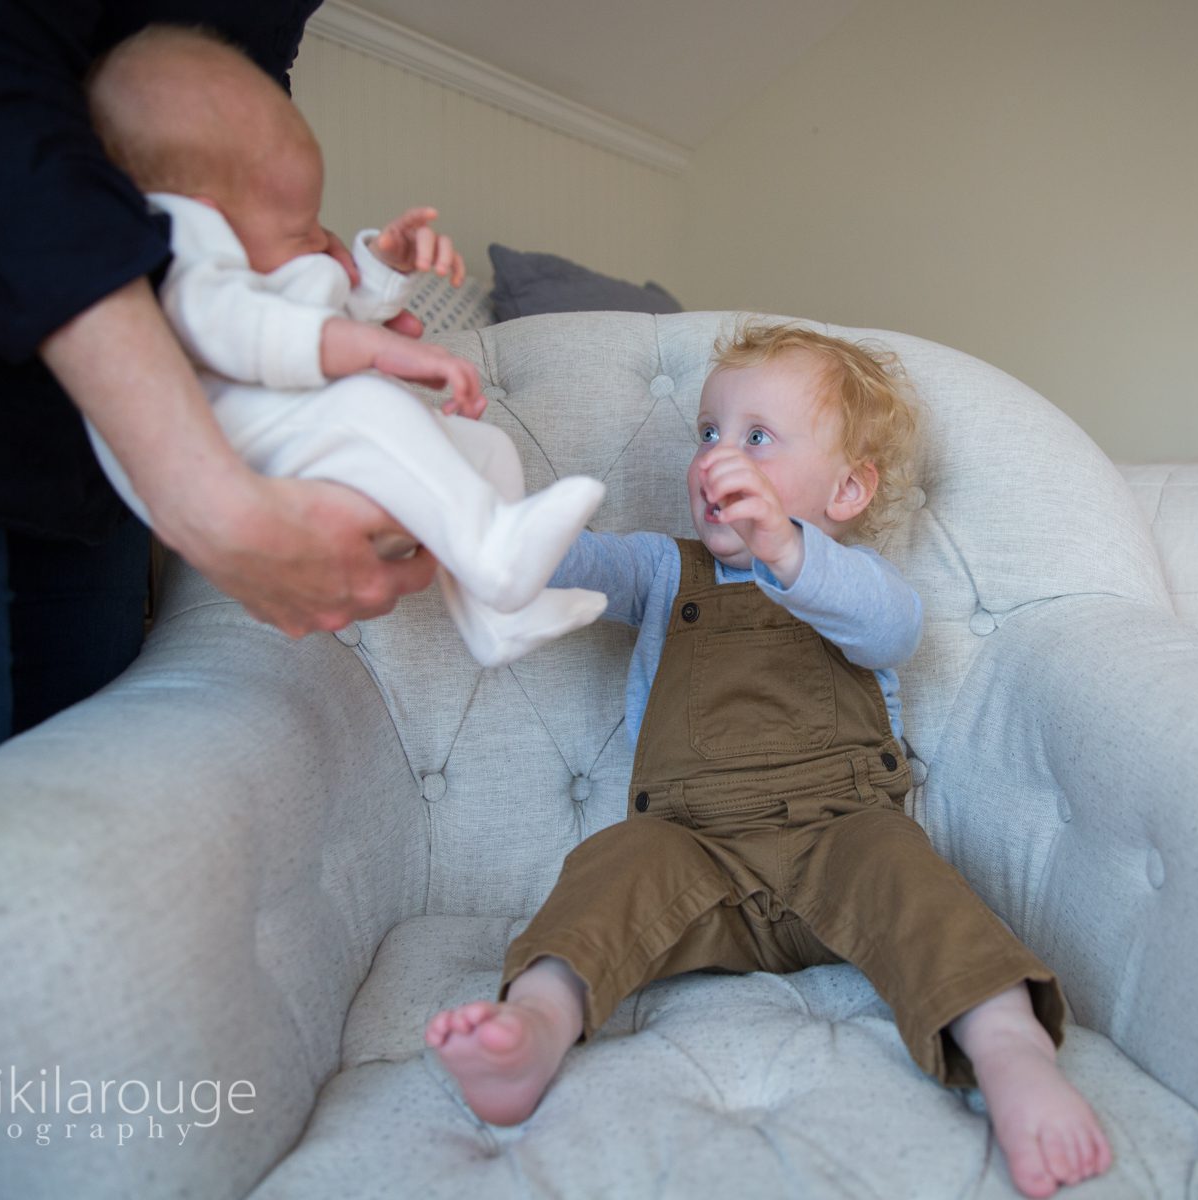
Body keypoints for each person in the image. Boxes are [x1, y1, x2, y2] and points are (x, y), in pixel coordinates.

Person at [0, 4, 410, 1192]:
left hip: (92, 433)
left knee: (91, 882)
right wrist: (198, 480)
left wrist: (317, 293)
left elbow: (210, 181)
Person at [423, 323, 1114, 1198]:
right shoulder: (660, 571)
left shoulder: (854, 583)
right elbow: (560, 560)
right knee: (611, 866)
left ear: (847, 489)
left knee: (919, 883)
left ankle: (1010, 1053)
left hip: (842, 838)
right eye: (709, 432)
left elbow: (890, 632)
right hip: (693, 854)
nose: (720, 458)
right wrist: (463, 504)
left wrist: (786, 550)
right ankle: (535, 1026)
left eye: (757, 438)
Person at [84, 27, 606, 665]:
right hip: (243, 442)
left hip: (303, 425)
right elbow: (244, 333)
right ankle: (495, 556)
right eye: (299, 226)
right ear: (204, 213)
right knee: (369, 400)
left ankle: (498, 616)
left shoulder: (266, 264)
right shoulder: (179, 257)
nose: (316, 239)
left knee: (489, 446)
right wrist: (383, 352)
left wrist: (387, 266)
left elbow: (337, 313)